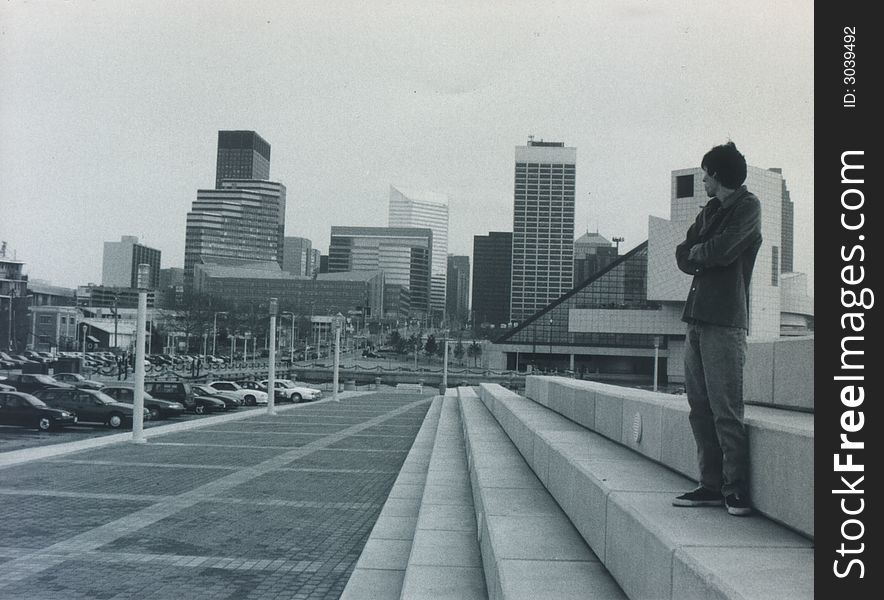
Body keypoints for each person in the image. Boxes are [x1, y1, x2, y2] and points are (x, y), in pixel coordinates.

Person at [672, 141, 762, 517]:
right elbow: (682, 252)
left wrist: (698, 252)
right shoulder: (709, 209)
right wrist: (698, 252)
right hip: (696, 317)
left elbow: (723, 250)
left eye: (707, 172)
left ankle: (734, 488)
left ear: (719, 175)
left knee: (726, 408)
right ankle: (709, 484)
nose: (703, 178)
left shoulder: (748, 207)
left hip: (725, 321)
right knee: (699, 406)